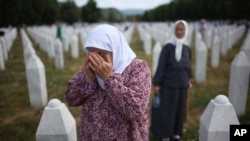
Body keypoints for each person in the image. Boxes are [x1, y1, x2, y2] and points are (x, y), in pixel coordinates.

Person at [64, 24, 151, 141]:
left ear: (115, 49)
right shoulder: (90, 69)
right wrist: (88, 79)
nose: (96, 61)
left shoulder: (138, 69)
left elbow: (135, 110)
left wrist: (109, 78)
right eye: (92, 54)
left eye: (101, 54)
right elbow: (71, 99)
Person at [151, 20, 193, 141]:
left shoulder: (187, 47)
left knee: (179, 110)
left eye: (182, 29)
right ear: (173, 31)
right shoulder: (168, 47)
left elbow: (188, 65)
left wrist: (189, 78)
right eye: (177, 29)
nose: (179, 32)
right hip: (168, 84)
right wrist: (157, 83)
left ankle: (176, 132)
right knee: (167, 110)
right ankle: (165, 133)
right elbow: (161, 66)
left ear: (185, 31)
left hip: (182, 84)